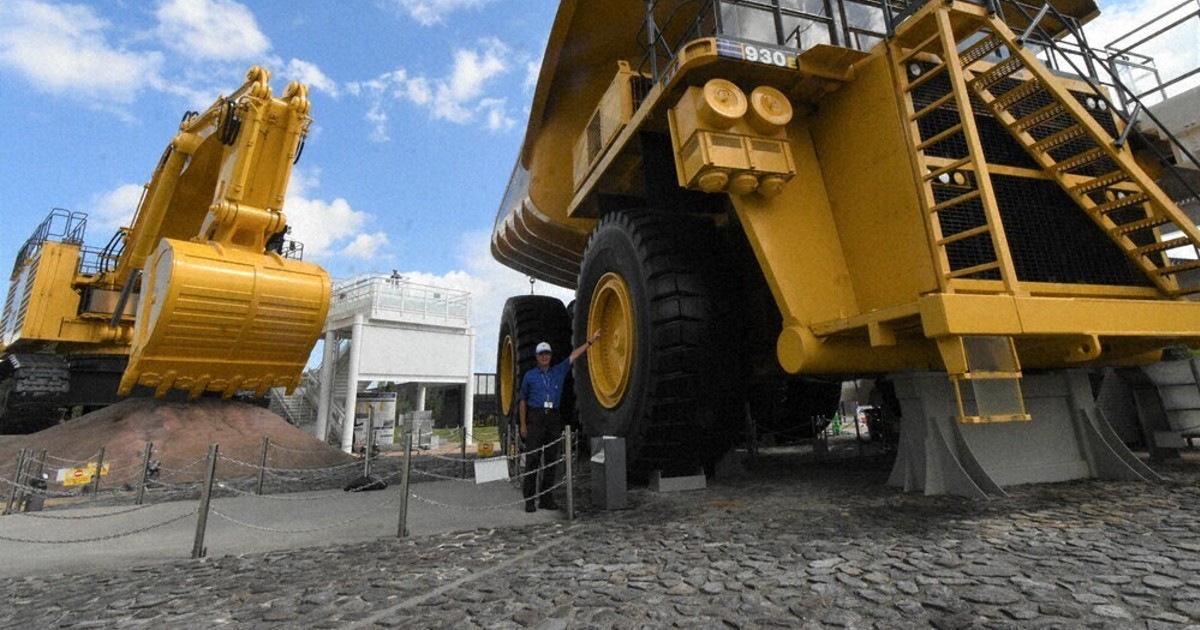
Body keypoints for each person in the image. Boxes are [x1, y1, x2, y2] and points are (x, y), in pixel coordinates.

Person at [520, 329, 602, 512]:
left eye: (547, 353)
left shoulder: (558, 371)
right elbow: (523, 400)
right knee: (532, 458)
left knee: (551, 460)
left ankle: (546, 498)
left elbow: (573, 356)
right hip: (536, 416)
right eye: (541, 354)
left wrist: (590, 342)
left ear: (550, 355)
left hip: (553, 417)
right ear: (536, 356)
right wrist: (524, 424)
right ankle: (530, 500)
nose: (544, 357)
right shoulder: (530, 376)